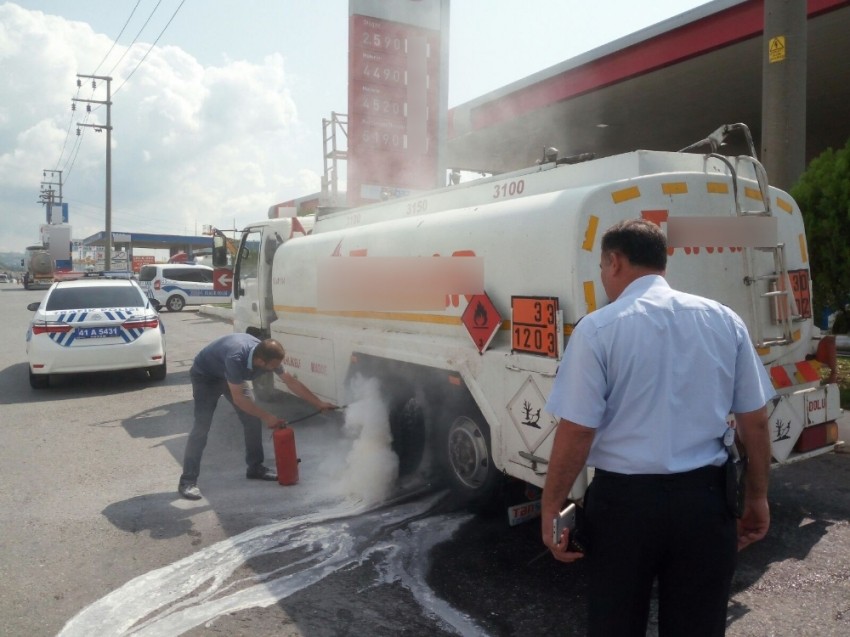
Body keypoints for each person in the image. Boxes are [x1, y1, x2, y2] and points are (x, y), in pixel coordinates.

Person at [541, 218, 774, 636]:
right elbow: (754, 422)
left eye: (601, 267)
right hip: (705, 505)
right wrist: (757, 496)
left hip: (623, 510)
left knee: (615, 625)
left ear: (614, 262)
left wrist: (550, 506)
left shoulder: (598, 329)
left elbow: (577, 431)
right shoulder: (723, 320)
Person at [178, 334, 336, 500]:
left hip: (231, 377)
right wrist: (267, 416)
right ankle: (188, 480)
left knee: (251, 419)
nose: (276, 368)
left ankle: (255, 468)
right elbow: (239, 399)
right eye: (274, 366)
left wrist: (318, 403)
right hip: (206, 377)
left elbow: (290, 381)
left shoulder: (267, 354)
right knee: (201, 427)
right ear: (261, 361)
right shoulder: (236, 358)